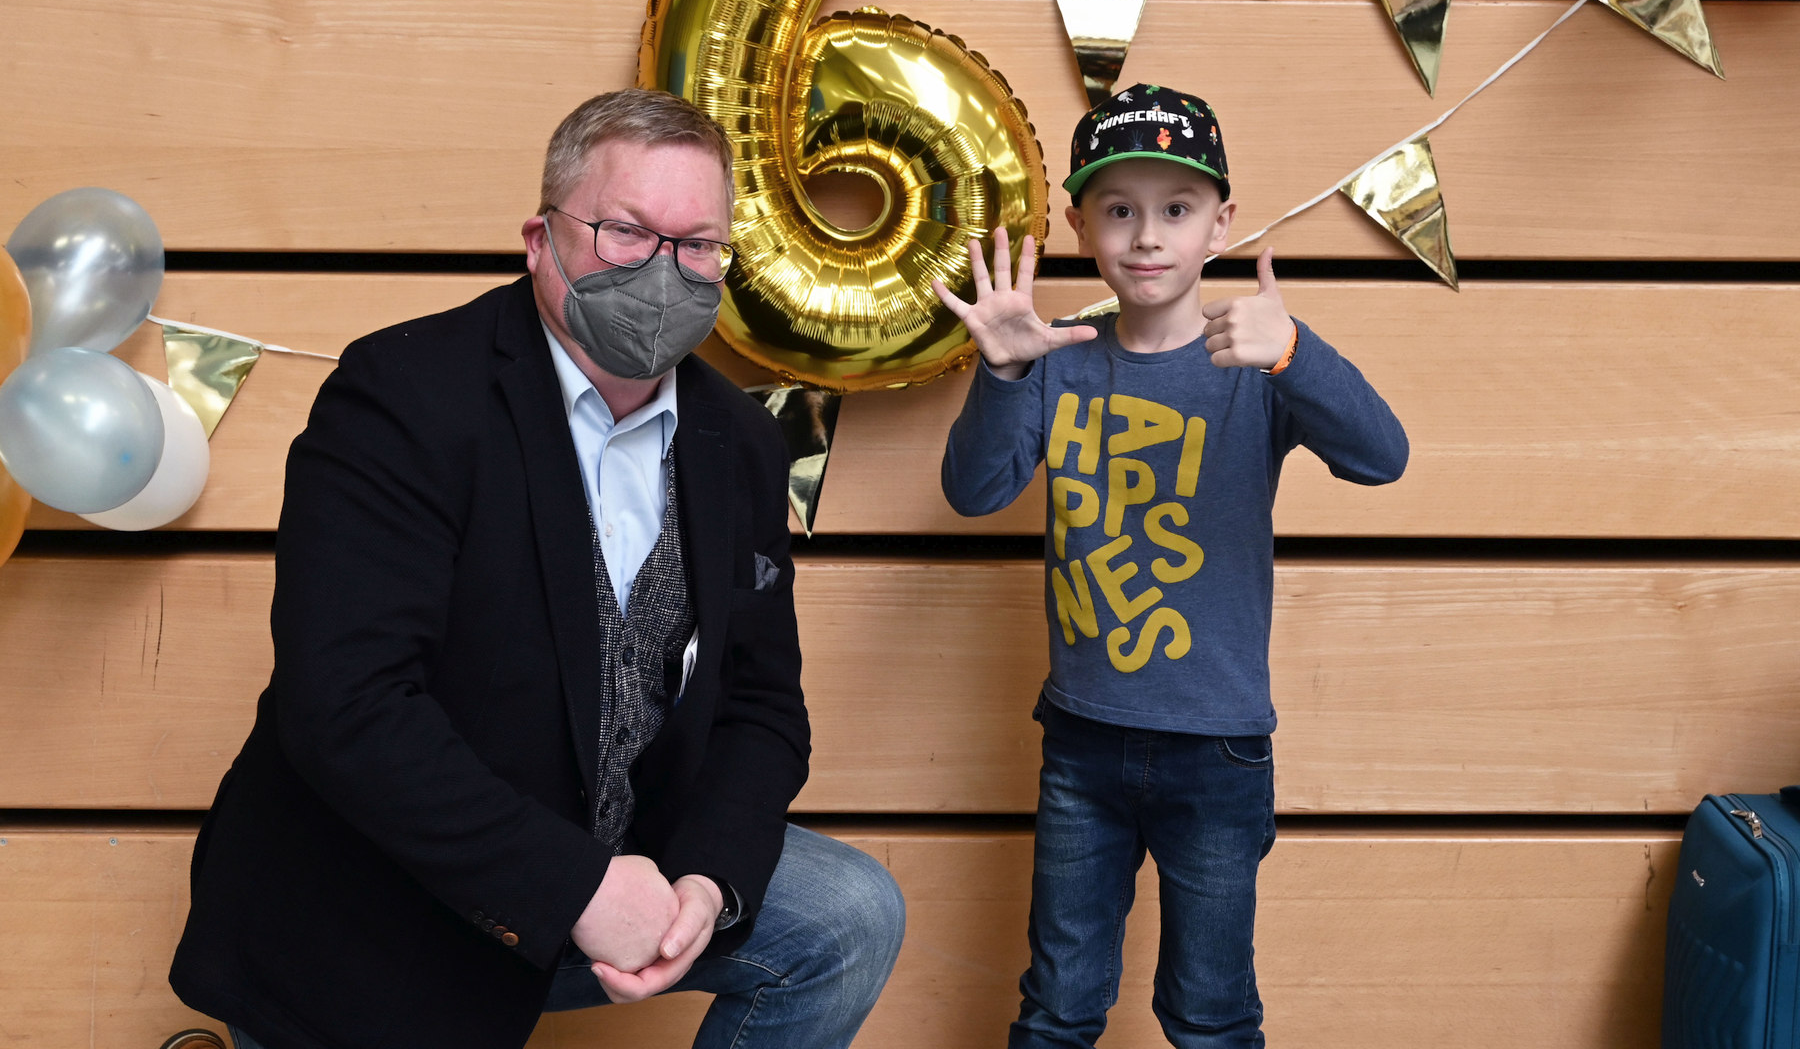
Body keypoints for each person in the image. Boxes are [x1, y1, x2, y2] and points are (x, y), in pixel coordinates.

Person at [170, 89, 905, 1049]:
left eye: (698, 246)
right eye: (624, 232)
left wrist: (706, 880)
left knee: (850, 914)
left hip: (625, 857)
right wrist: (575, 886)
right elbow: (344, 704)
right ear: (539, 239)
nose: (664, 270)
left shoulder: (740, 443)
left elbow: (763, 709)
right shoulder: (403, 394)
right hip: (386, 888)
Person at [933, 83, 1408, 1048]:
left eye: (1176, 210)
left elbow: (1382, 456)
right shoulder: (1058, 354)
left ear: (1221, 224)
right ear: (1080, 226)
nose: (1147, 237)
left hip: (1218, 750)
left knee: (1210, 1013)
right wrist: (1005, 374)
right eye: (1120, 211)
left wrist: (1297, 354)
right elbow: (974, 491)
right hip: (1081, 739)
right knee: (1058, 1007)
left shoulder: (1254, 359)